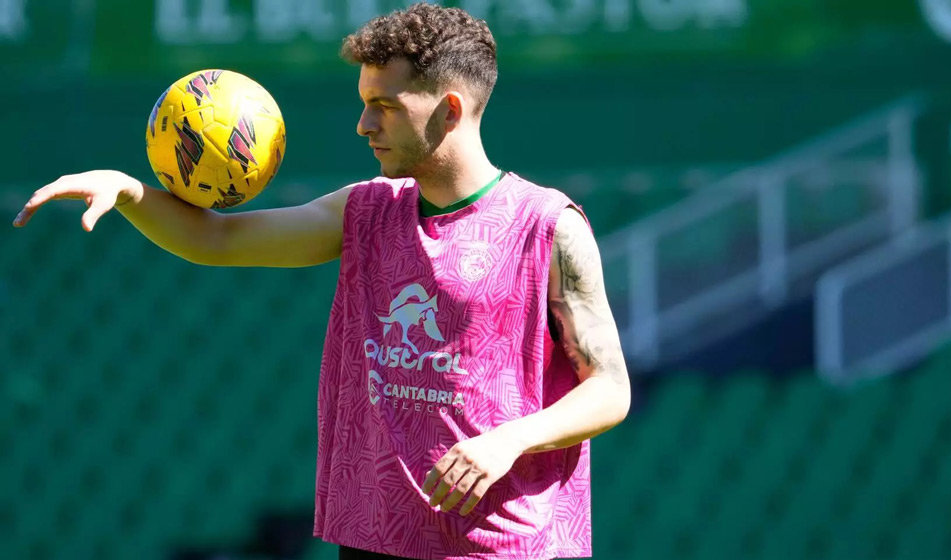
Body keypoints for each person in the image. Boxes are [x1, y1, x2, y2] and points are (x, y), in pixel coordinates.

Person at [12, 4, 630, 559]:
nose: (363, 124)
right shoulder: (364, 210)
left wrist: (508, 442)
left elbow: (609, 389)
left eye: (384, 105)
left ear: (448, 110)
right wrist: (129, 192)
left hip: (504, 544)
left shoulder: (547, 225)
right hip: (374, 536)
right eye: (363, 102)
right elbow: (215, 239)